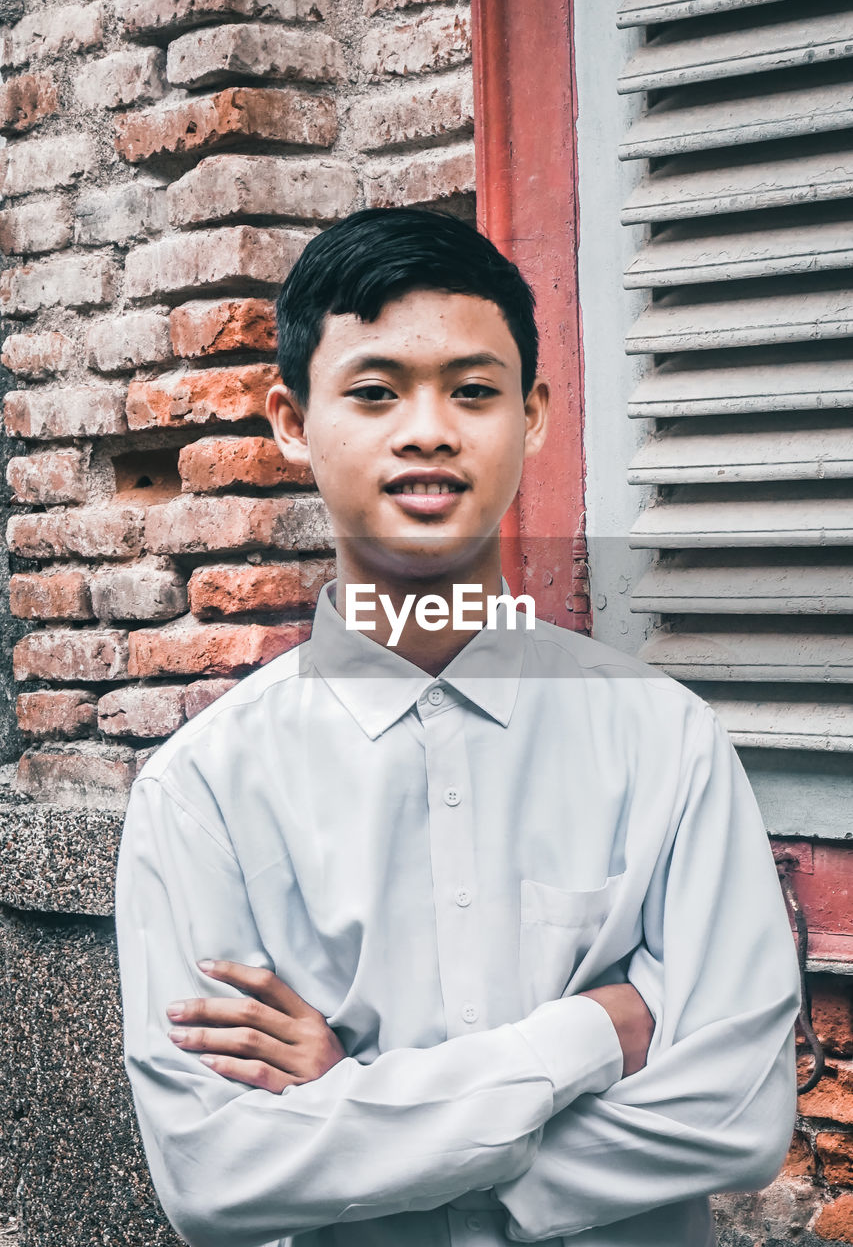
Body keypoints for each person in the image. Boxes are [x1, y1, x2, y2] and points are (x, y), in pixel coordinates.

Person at [114, 207, 802, 1247]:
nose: (428, 428)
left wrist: (360, 1102)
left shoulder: (664, 741)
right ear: (291, 420)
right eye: (376, 390)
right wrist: (588, 1033)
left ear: (530, 416)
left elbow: (736, 1118)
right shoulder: (204, 788)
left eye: (472, 391)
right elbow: (218, 1173)